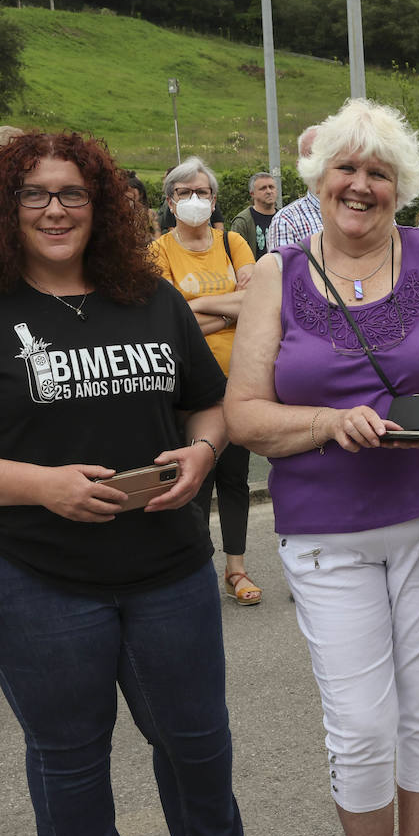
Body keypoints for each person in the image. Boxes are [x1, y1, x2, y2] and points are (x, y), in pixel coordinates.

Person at [0, 131, 254, 836]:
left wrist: (203, 452)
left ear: (102, 207)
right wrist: (43, 484)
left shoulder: (151, 297)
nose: (55, 210)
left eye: (73, 194)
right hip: (31, 570)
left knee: (198, 745)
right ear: (4, 206)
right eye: (35, 193)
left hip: (167, 563)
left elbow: (209, 407)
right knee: (72, 763)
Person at [223, 98, 419, 836]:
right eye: (346, 169)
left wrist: (417, 417)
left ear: (401, 186)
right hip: (324, 530)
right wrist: (326, 423)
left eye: (378, 173)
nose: (361, 185)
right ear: (318, 179)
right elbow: (243, 413)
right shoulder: (273, 274)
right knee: (359, 725)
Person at [150, 157, 262, 605]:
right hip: (187, 389)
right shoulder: (158, 251)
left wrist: (195, 309)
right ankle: (193, 566)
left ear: (214, 199)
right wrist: (227, 308)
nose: (194, 200)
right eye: (183, 193)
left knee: (235, 478)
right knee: (192, 475)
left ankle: (236, 569)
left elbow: (255, 303)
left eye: (202, 192)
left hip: (240, 381)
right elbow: (165, 321)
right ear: (170, 201)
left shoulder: (233, 242)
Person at [268, 125, 323, 250]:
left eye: (327, 150)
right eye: (312, 153)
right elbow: (286, 269)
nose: (321, 159)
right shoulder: (287, 221)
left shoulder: (359, 211)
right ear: (300, 166)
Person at [231, 171, 278, 257]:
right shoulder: (242, 222)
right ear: (252, 194)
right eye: (263, 188)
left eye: (271, 187)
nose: (269, 191)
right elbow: (236, 256)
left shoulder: (285, 217)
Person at [124, 173, 162, 239]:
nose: (129, 194)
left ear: (141, 194)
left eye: (132, 191)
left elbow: (157, 231)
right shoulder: (123, 213)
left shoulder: (150, 213)